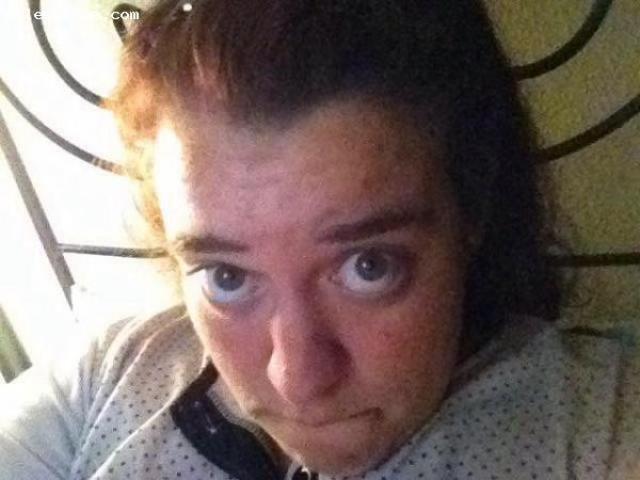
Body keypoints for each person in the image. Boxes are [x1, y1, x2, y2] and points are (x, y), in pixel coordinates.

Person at [1, 1, 639, 479]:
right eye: (227, 276)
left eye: (369, 266)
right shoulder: (102, 379)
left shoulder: (602, 426)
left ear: (470, 209)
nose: (298, 379)